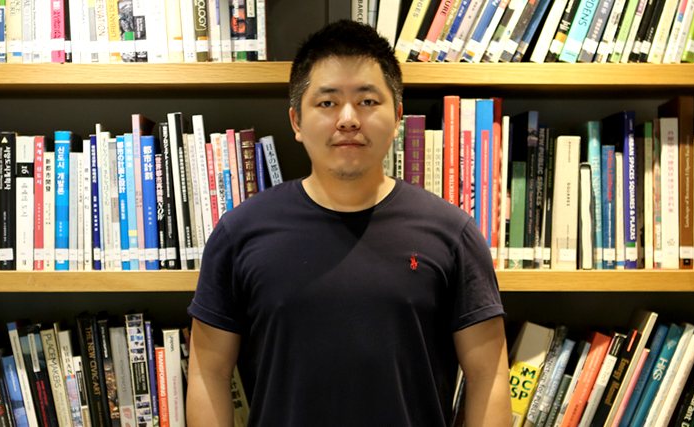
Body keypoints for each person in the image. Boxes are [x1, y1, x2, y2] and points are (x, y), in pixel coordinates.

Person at [185, 20, 511, 427]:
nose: (348, 119)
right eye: (327, 103)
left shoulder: (451, 234)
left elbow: (488, 374)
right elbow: (208, 371)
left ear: (398, 117)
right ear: (296, 122)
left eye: (368, 101)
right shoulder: (240, 233)